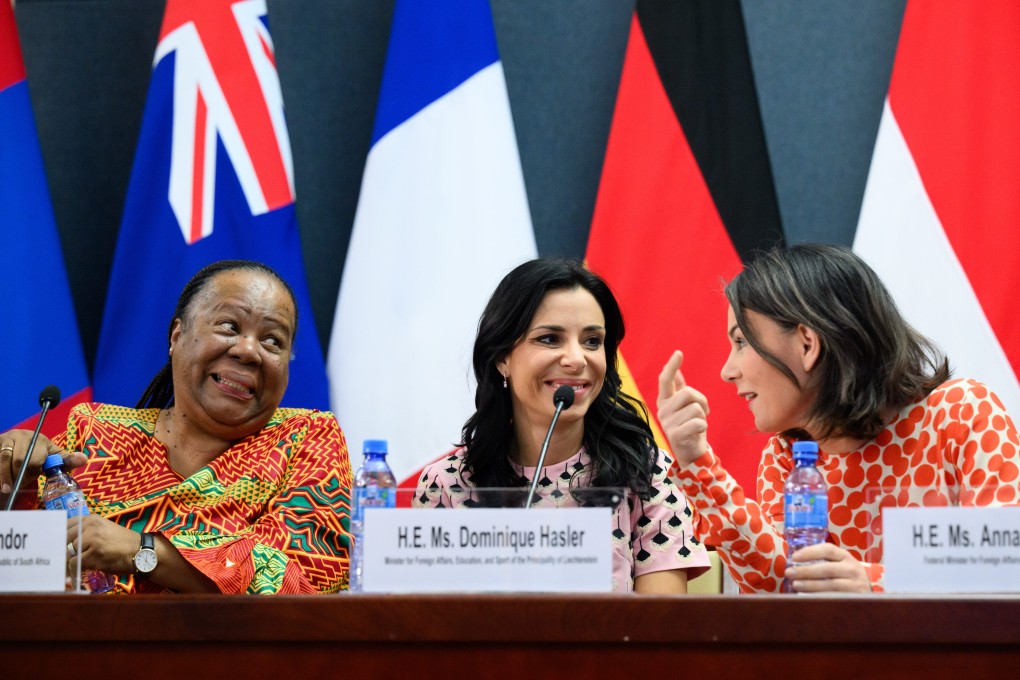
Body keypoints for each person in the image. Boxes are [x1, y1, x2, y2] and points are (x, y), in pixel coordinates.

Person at [657, 243, 1020, 593]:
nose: (727, 371)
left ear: (807, 344)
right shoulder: (787, 457)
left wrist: (875, 585)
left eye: (741, 342)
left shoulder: (961, 411)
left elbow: (1007, 563)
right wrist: (695, 459)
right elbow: (778, 584)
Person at [0, 260, 352, 594]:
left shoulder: (308, 439)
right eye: (230, 326)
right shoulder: (93, 436)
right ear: (176, 336)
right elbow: (22, 564)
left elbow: (306, 580)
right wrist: (11, 487)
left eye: (273, 340)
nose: (249, 351)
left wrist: (143, 552)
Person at [414, 258, 710, 593]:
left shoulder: (644, 470)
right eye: (551, 339)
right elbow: (433, 631)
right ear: (502, 358)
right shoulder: (448, 483)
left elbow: (661, 628)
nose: (576, 359)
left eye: (592, 341)